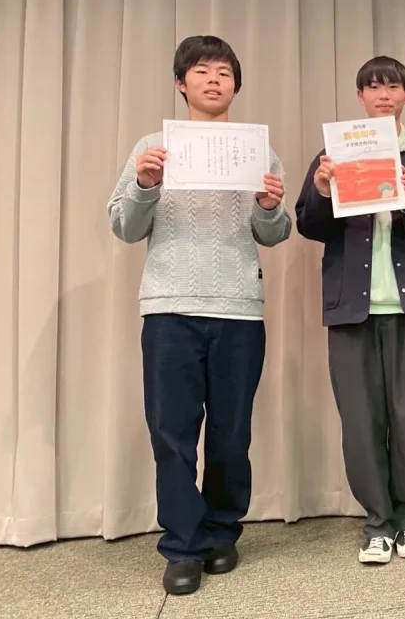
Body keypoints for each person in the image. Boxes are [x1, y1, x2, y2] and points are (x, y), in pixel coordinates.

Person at [107, 35, 292, 596]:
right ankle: (182, 546)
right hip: (170, 308)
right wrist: (145, 184)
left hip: (238, 308)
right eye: (202, 70)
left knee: (232, 434)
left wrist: (269, 207)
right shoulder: (153, 147)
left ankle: (221, 531)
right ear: (180, 83)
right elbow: (123, 226)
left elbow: (274, 234)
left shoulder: (256, 150)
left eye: (224, 72)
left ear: (236, 85)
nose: (214, 79)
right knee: (172, 432)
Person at [294, 56, 405, 565]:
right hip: (351, 309)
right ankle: (377, 524)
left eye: (393, 87)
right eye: (374, 87)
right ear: (360, 96)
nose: (384, 95)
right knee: (360, 421)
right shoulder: (334, 154)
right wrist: (322, 191)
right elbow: (309, 225)